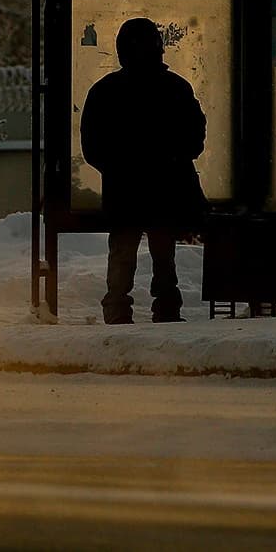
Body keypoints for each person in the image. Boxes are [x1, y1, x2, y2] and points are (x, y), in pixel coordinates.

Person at [80, 17, 207, 324]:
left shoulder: (105, 91)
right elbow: (194, 138)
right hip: (165, 188)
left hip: (123, 191)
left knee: (123, 254)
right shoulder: (176, 88)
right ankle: (166, 308)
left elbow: (92, 145)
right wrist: (169, 160)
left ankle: (117, 309)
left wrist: (119, 167)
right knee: (163, 255)